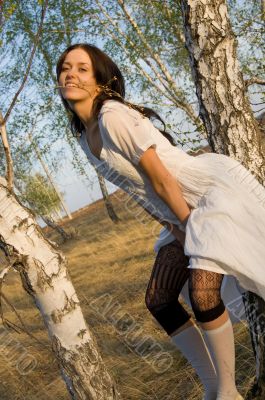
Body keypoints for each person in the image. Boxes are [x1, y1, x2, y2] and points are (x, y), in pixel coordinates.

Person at [56, 43, 265, 400]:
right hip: (177, 211)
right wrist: (175, 228)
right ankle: (212, 384)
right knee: (160, 298)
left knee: (202, 292)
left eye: (82, 68)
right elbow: (140, 192)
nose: (70, 74)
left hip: (204, 195)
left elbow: (162, 180)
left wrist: (192, 229)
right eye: (65, 68)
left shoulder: (112, 116)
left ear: (102, 80)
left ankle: (228, 392)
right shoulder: (83, 136)